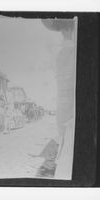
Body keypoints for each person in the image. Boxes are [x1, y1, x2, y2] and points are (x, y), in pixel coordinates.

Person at [40, 18, 77, 178]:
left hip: (67, 113)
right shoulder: (68, 52)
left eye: (64, 28)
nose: (63, 32)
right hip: (69, 113)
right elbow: (66, 94)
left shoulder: (63, 52)